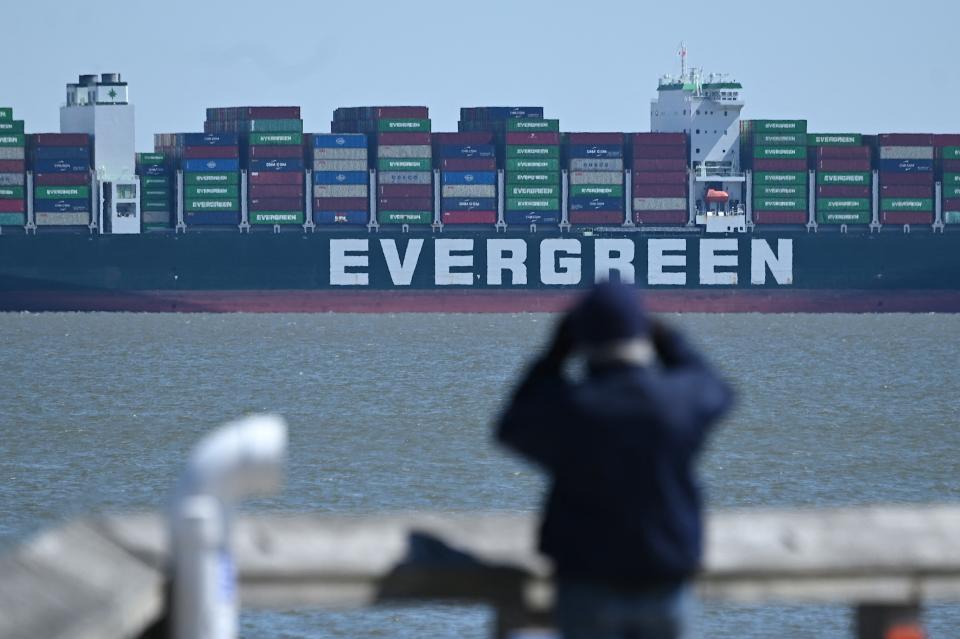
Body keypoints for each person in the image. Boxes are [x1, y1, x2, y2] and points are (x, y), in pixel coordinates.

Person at [496, 281, 733, 639]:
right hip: (664, 582)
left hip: (587, 585)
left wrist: (554, 354)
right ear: (643, 335)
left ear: (580, 337)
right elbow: (716, 388)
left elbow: (511, 424)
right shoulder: (675, 406)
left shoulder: (573, 409)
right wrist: (669, 339)